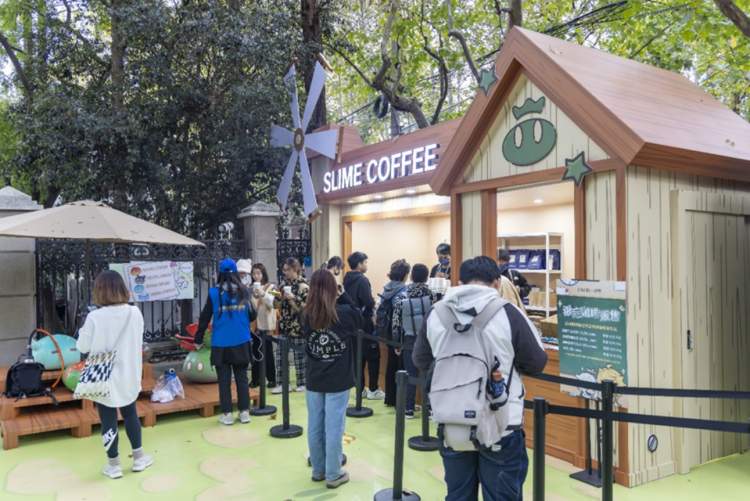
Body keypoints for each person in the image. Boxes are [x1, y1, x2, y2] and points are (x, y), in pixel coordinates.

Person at [414, 256, 547, 501]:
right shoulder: (509, 314)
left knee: (458, 494)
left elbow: (421, 360)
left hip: (452, 422)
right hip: (501, 423)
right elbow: (537, 362)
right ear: (497, 283)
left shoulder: (436, 313)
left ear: (459, 282)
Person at [76, 270, 153, 479]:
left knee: (107, 419)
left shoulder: (94, 317)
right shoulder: (134, 313)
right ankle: (139, 458)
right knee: (130, 414)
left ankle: (114, 465)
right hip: (129, 372)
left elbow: (82, 346)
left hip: (102, 375)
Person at [302, 269, 361, 489]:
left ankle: (318, 470)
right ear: (333, 289)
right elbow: (360, 317)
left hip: (314, 377)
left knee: (315, 425)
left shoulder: (306, 315)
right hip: (338, 378)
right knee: (334, 427)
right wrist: (343, 295)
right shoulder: (343, 314)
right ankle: (333, 474)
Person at [195, 258, 255, 425]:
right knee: (242, 378)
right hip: (241, 340)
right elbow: (252, 315)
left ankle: (227, 414)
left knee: (224, 380)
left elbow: (204, 317)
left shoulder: (214, 293)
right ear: (236, 273)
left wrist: (198, 339)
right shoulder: (244, 291)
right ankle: (244, 412)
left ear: (219, 274)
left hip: (221, 343)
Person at [392, 263, 435, 418]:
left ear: (411, 276)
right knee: (428, 374)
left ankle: (408, 409)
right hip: (429, 340)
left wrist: (397, 343)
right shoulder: (432, 295)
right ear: (427, 277)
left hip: (409, 340)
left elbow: (396, 322)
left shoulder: (402, 296)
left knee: (410, 374)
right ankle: (429, 409)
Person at [343, 252, 384, 400]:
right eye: (365, 262)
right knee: (373, 356)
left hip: (351, 323)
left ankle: (360, 389)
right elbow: (368, 302)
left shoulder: (346, 279)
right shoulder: (362, 280)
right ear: (359, 264)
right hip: (365, 323)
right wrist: (374, 303)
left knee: (357, 357)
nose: (366, 265)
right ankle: (373, 389)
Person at [273, 257, 309, 393]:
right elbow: (275, 305)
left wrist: (293, 298)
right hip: (284, 326)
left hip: (299, 326)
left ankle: (302, 382)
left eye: (287, 270)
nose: (285, 272)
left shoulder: (304, 286)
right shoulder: (282, 285)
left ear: (295, 269)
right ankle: (283, 383)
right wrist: (277, 296)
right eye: (284, 270)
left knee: (300, 356)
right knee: (280, 356)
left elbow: (307, 308)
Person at [378, 259, 410, 407]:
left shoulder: (387, 288)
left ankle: (390, 398)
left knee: (391, 365)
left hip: (387, 332)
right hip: (398, 334)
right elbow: (400, 317)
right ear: (405, 274)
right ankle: (400, 400)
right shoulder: (403, 291)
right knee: (401, 367)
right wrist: (398, 341)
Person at [247, 262, 277, 390]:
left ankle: (271, 378)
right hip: (254, 325)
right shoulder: (250, 289)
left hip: (266, 324)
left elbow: (273, 303)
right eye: (254, 273)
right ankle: (256, 379)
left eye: (258, 273)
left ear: (263, 274)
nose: (256, 276)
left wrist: (262, 293)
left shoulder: (272, 286)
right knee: (255, 352)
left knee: (268, 352)